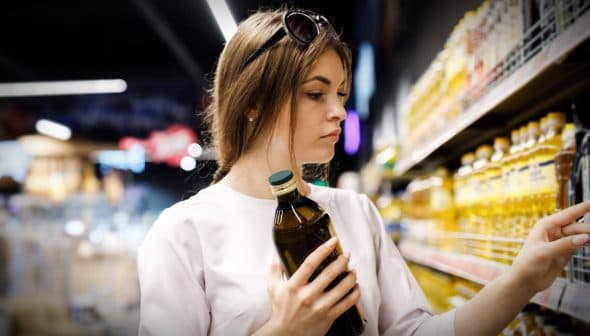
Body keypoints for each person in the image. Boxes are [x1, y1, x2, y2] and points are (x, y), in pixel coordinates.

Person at [137, 7, 590, 336]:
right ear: (253, 102)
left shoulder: (355, 212)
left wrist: (523, 278)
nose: (339, 111)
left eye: (341, 93)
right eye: (316, 94)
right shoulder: (182, 234)